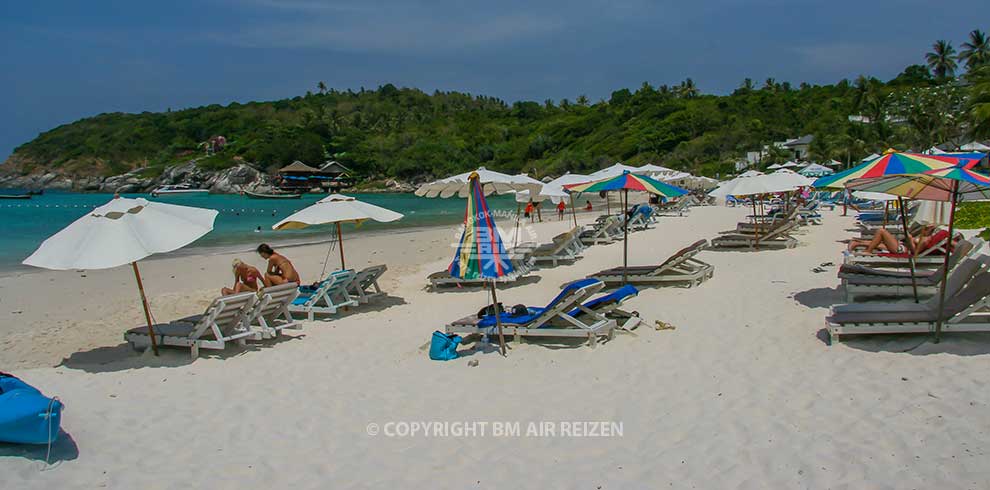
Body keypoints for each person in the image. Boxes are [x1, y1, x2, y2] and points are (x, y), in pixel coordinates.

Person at [847, 226, 934, 255]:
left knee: (881, 231)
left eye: (926, 228)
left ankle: (868, 251)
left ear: (930, 229)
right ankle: (856, 243)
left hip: (901, 250)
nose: (924, 228)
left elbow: (915, 252)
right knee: (877, 242)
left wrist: (910, 239)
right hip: (902, 245)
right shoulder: (924, 236)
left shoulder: (925, 240)